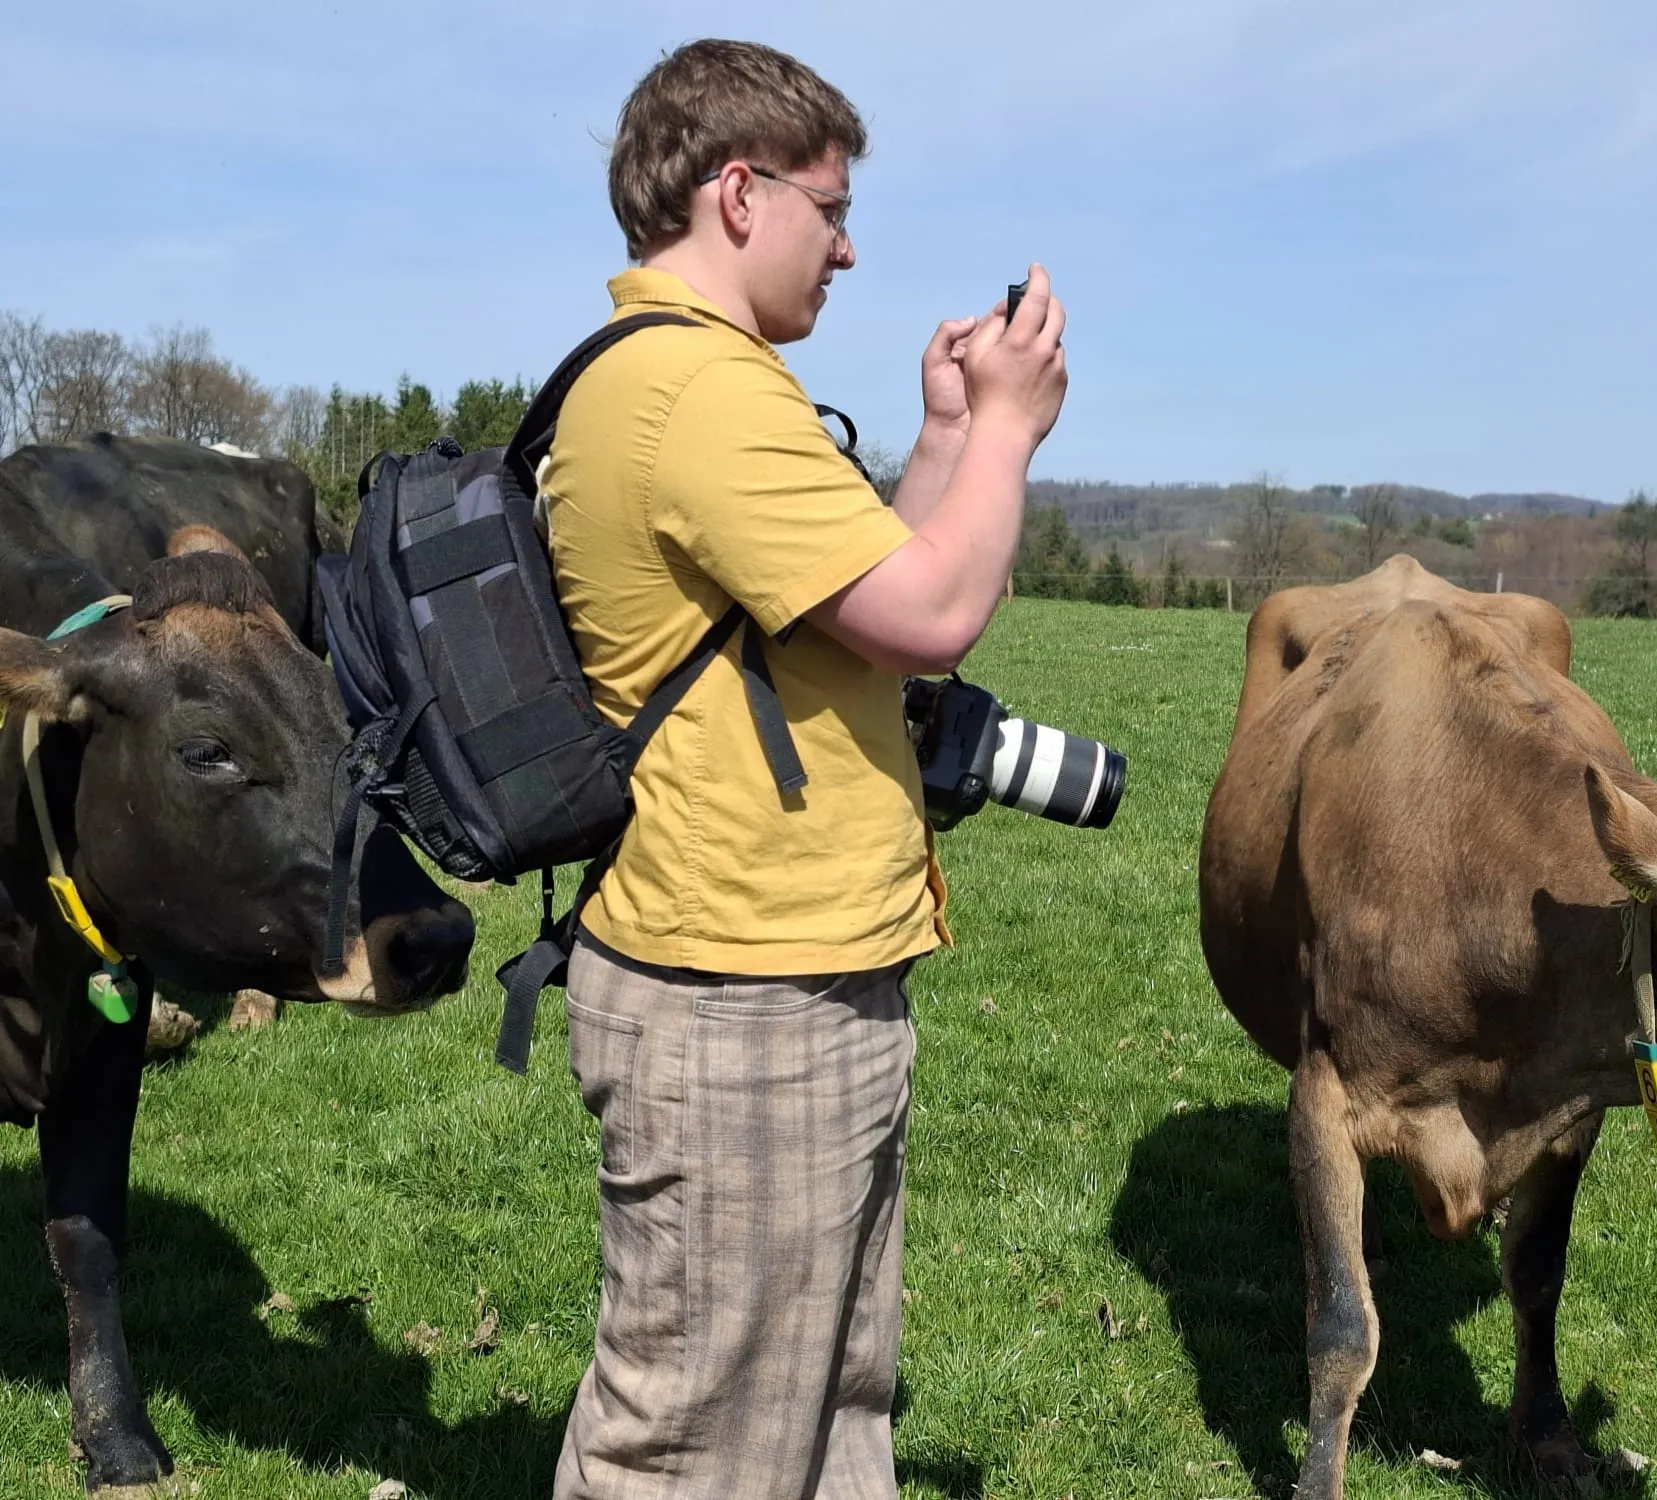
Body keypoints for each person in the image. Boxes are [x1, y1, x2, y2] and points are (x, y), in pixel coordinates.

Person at [540, 37, 1068, 1500]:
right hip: (740, 1003)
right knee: (695, 1446)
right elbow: (939, 611)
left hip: (785, 978)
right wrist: (1016, 434)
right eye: (830, 208)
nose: (849, 244)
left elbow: (861, 611)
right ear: (736, 191)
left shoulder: (705, 384)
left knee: (828, 1416)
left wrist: (951, 434)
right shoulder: (695, 394)